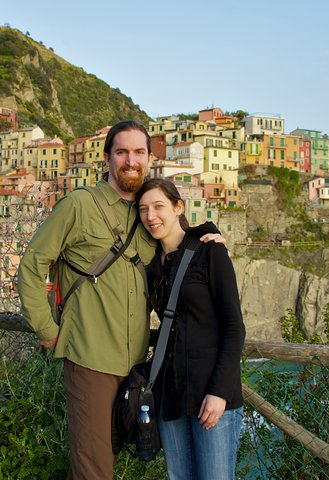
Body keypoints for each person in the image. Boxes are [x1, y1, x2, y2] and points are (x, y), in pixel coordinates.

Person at [17, 120, 221, 480]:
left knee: (108, 456)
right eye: (122, 152)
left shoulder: (150, 213)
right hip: (89, 358)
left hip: (136, 366)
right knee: (93, 467)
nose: (131, 160)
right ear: (108, 158)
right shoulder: (80, 204)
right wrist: (46, 328)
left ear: (149, 159)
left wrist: (211, 235)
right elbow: (33, 264)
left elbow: (182, 238)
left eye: (139, 152)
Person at [136, 178, 245, 480]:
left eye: (158, 206)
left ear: (178, 207)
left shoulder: (210, 251)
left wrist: (220, 392)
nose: (151, 216)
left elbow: (234, 327)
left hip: (210, 395)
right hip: (169, 394)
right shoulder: (151, 267)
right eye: (144, 209)